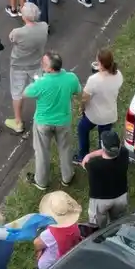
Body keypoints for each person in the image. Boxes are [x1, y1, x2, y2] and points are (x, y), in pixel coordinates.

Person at [25, 51, 80, 189]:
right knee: (65, 149)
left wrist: (38, 81)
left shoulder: (41, 83)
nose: (41, 64)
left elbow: (26, 93)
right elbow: (78, 91)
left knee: (42, 152)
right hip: (63, 121)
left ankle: (41, 181)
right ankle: (67, 178)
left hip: (43, 122)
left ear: (50, 68)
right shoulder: (71, 78)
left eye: (43, 63)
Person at [4, 1, 47, 135]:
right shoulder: (44, 27)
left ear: (24, 17)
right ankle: (44, 118)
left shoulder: (17, 33)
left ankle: (18, 122)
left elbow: (11, 38)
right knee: (40, 90)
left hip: (19, 67)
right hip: (36, 65)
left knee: (17, 93)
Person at [77, 48, 122, 161]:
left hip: (94, 115)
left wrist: (82, 108)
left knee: (82, 129)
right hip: (109, 115)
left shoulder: (94, 80)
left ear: (100, 64)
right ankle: (101, 156)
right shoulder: (118, 75)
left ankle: (83, 156)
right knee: (103, 138)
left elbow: (85, 98)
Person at [81, 130, 130, 227]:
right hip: (121, 197)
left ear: (103, 147)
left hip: (100, 201)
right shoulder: (125, 153)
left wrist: (89, 155)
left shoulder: (93, 165)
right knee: (118, 224)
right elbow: (111, 151)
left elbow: (84, 163)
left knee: (96, 227)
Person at [33, 192, 84, 269]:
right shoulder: (73, 224)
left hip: (48, 264)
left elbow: (37, 243)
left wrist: (39, 250)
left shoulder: (50, 234)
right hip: (69, 252)